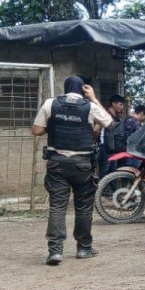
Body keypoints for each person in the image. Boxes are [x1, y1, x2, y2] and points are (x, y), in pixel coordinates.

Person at [31, 76, 113, 265]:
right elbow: (109, 123)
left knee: (57, 206)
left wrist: (51, 126)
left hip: (56, 163)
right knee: (83, 207)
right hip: (82, 164)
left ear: (65, 87)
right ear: (83, 90)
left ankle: (55, 251)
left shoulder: (51, 104)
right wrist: (94, 98)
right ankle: (84, 249)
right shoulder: (89, 107)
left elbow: (36, 130)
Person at [98, 94, 128, 176]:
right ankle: (101, 188)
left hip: (113, 148)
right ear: (113, 104)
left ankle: (110, 189)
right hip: (104, 147)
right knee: (104, 170)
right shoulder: (105, 114)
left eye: (122, 105)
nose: (122, 107)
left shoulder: (116, 116)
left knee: (112, 171)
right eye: (120, 104)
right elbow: (97, 129)